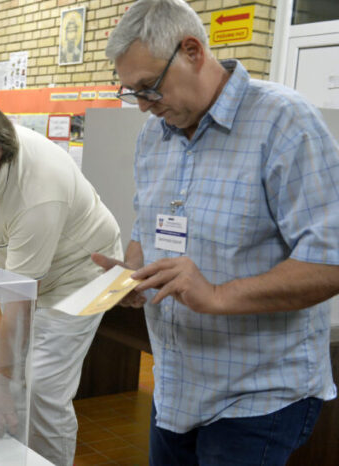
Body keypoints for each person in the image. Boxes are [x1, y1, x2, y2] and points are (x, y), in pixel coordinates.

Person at [94, 1, 339, 464]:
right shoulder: (154, 135)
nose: (145, 106)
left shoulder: (284, 122)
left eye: (149, 88)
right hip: (176, 386)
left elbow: (330, 260)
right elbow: (146, 228)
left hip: (258, 393)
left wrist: (218, 295)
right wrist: (131, 275)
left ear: (192, 51)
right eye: (133, 93)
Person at [0, 96, 122, 466]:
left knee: (43, 387)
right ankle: (15, 453)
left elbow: (20, 303)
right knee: (12, 375)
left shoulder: (38, 192)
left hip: (82, 276)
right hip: (23, 268)